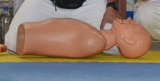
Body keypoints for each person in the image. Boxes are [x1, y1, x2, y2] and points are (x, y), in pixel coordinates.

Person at [16, 17, 152, 59]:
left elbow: (57, 41)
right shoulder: (96, 38)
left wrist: (31, 38)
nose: (129, 19)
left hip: (29, 36)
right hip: (29, 33)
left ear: (128, 40)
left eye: (134, 25)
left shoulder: (95, 41)